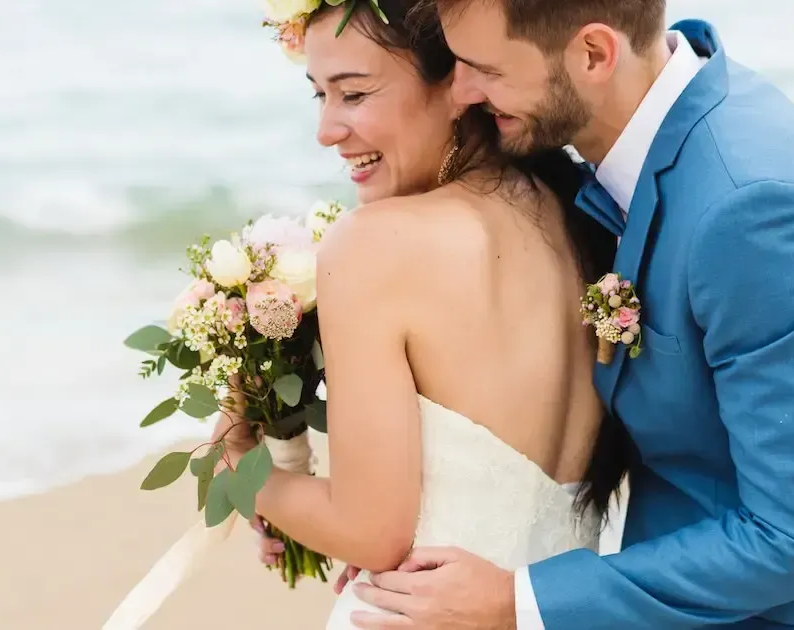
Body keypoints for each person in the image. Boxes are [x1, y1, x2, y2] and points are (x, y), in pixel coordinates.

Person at [345, 1, 794, 629]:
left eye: (486, 70)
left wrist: (517, 602)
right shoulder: (642, 137)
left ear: (594, 54)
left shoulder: (752, 211)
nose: (462, 91)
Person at [216, 0, 630, 627]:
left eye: (353, 95)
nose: (327, 129)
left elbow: (368, 532)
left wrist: (231, 467)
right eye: (318, 95)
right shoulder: (580, 215)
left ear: (458, 85)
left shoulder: (374, 245)